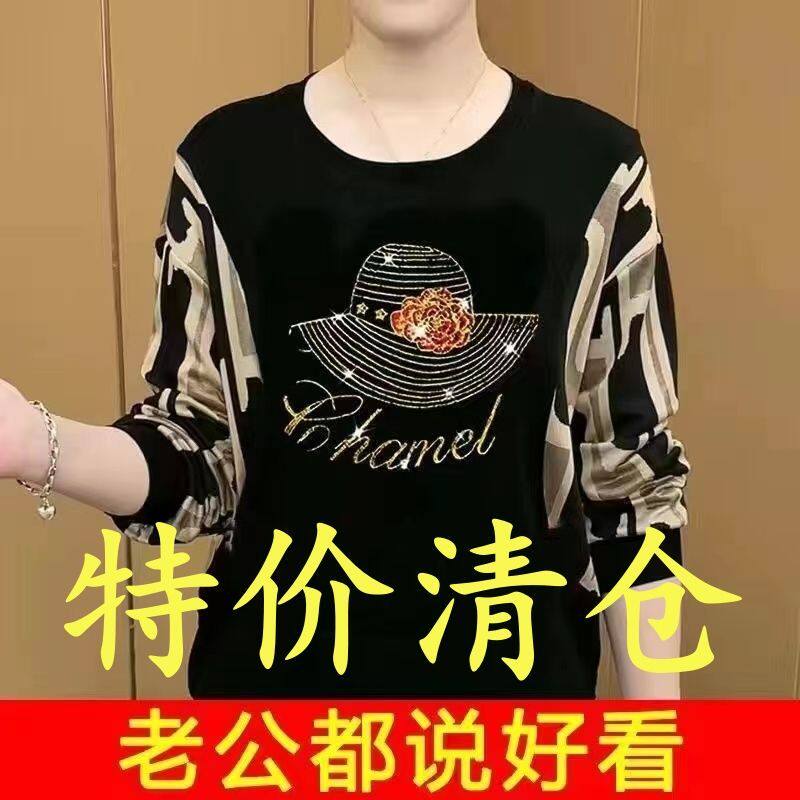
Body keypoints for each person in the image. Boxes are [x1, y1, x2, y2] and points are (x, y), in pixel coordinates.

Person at [0, 0, 688, 698]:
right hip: (274, 709)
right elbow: (200, 449)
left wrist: (655, 740)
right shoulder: (228, 165)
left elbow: (632, 485)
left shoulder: (596, 171)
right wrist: (35, 442)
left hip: (517, 707)